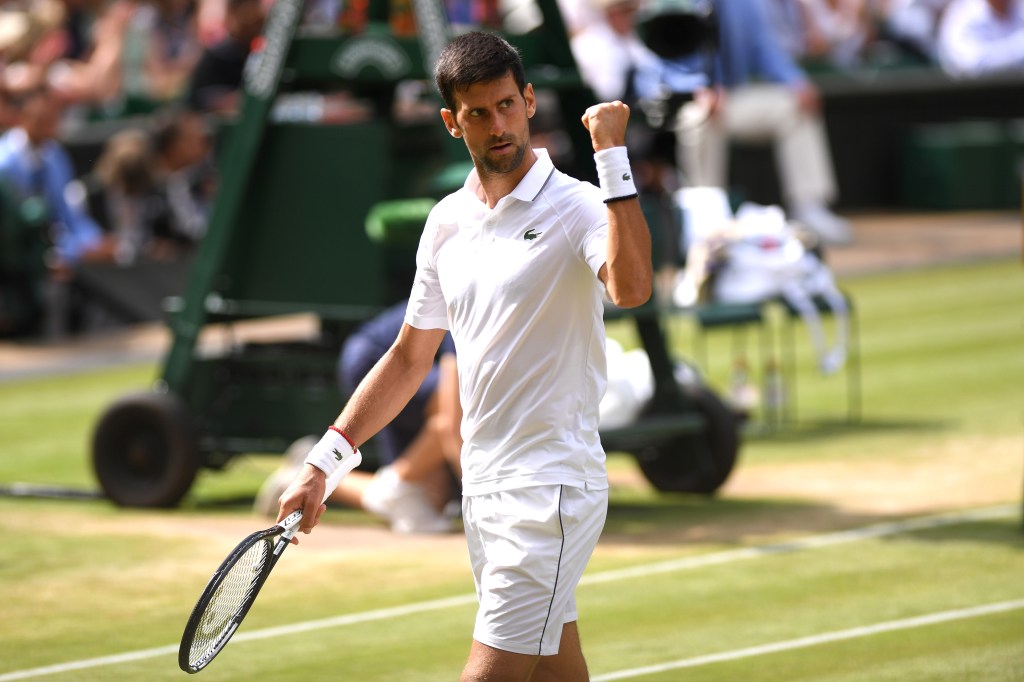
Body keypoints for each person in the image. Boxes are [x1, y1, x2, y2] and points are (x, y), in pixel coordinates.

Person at [274, 30, 652, 682]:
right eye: (479, 112)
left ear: (529, 101)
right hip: (485, 491)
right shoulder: (446, 222)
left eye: (507, 105)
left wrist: (611, 155)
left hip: (550, 492)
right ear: (454, 122)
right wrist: (324, 464)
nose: (497, 124)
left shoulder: (578, 208)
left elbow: (632, 286)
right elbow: (406, 358)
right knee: (557, 672)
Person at [254, 301, 463, 534]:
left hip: (391, 365)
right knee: (462, 402)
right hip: (376, 361)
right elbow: (451, 421)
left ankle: (297, 476)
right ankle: (392, 485)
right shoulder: (470, 304)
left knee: (430, 503)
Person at [675, 0, 854, 245]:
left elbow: (763, 46)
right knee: (699, 117)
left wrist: (795, 82)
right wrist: (695, 87)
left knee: (794, 108)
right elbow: (658, 58)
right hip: (685, 100)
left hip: (733, 98)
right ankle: (706, 218)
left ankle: (809, 207)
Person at [185, 0, 265, 114]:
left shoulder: (265, 43)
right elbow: (201, 101)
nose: (250, 16)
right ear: (231, 16)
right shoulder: (218, 57)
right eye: (244, 9)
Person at [936, 0, 1024, 77]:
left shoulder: (1019, 9)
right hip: (969, 93)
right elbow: (971, 65)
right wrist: (1019, 47)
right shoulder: (962, 13)